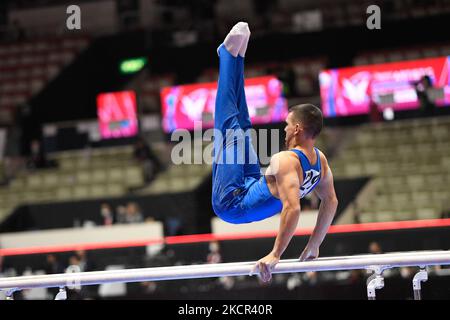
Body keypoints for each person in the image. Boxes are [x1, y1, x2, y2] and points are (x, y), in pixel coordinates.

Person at [211, 22, 338, 282]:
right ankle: (237, 60)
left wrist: (276, 254)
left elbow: (292, 208)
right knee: (243, 127)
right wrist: (314, 244)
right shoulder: (320, 161)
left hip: (231, 204)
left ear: (298, 129)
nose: (284, 127)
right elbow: (331, 202)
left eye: (288, 124)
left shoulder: (286, 160)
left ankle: (226, 55)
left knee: (228, 127)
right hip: (248, 188)